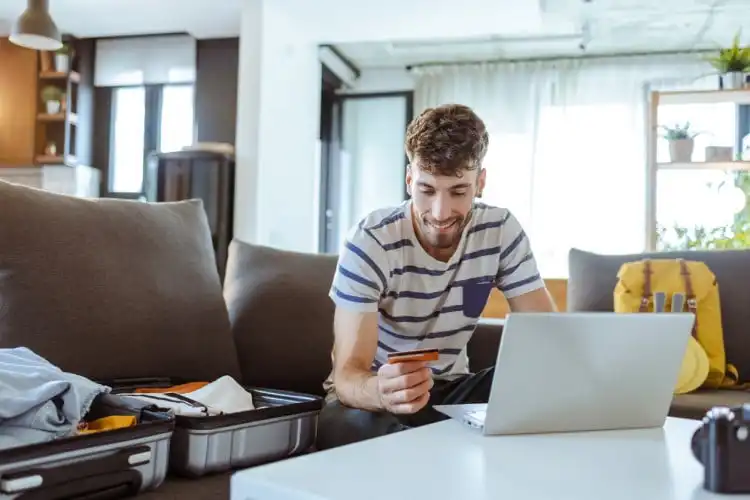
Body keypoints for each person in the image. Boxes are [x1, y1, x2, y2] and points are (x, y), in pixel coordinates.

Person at [317, 103, 557, 450]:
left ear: (480, 182)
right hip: (373, 396)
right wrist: (381, 392)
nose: (440, 213)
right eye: (426, 190)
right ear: (409, 179)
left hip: (452, 389)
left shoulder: (501, 230)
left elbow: (547, 338)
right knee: (342, 428)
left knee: (536, 383)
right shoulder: (371, 240)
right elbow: (348, 374)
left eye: (458, 191)